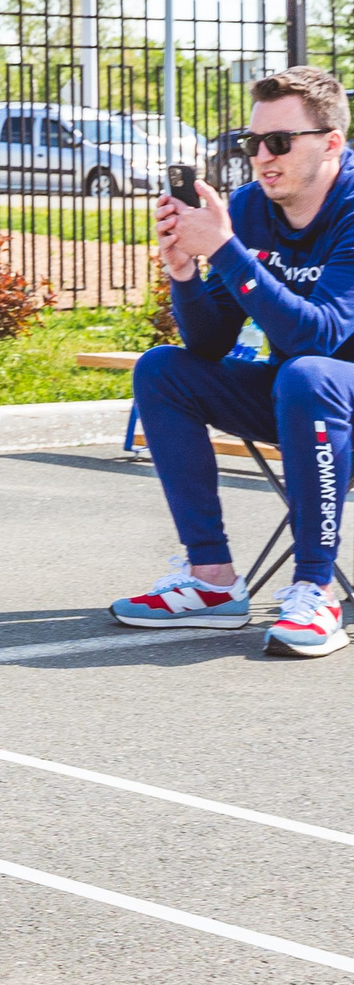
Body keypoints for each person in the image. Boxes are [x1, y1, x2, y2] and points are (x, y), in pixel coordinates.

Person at [115, 65, 354, 659]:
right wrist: (184, 274)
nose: (262, 157)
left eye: (280, 141)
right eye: (253, 142)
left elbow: (319, 336)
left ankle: (316, 589)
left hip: (327, 394)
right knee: (162, 370)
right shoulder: (248, 209)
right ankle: (213, 581)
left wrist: (225, 251)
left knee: (307, 373)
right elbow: (209, 343)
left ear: (331, 143)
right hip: (299, 402)